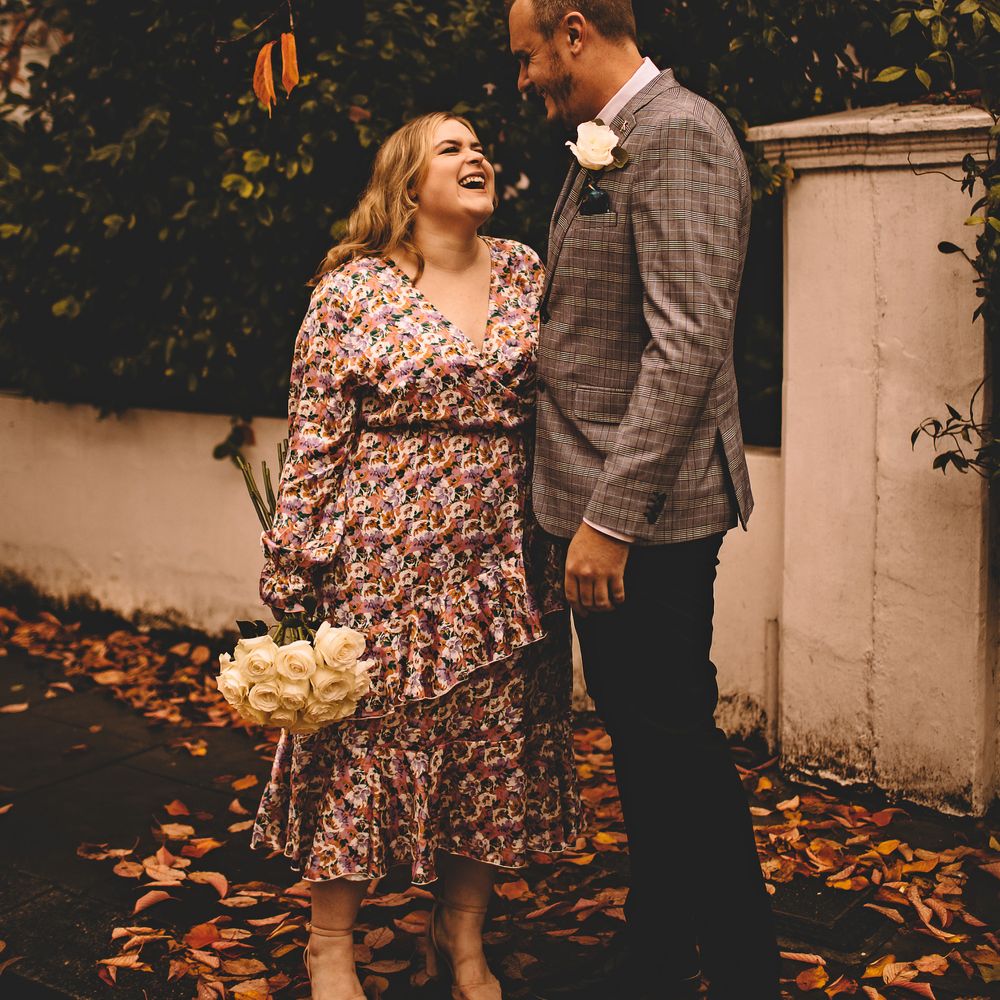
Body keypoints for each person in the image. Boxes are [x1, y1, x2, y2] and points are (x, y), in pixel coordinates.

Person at [251, 111, 580, 1000]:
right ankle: (330, 944)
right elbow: (317, 437)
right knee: (366, 746)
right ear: (406, 181)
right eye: (451, 147)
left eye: (479, 146)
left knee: (491, 747)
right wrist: (294, 570)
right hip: (385, 561)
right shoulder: (351, 290)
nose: (476, 156)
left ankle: (461, 938)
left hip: (509, 560)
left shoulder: (525, 269)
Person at [506, 1, 780, 997]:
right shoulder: (608, 142)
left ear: (573, 31)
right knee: (644, 742)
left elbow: (686, 346)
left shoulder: (679, 137)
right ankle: (658, 950)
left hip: (643, 517)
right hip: (597, 501)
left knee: (671, 745)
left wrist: (608, 524)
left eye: (527, 54)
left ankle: (748, 971)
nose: (525, 77)